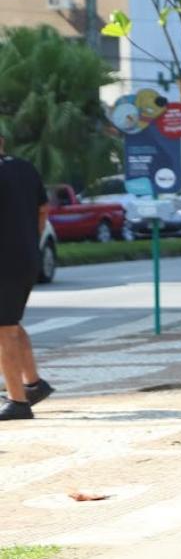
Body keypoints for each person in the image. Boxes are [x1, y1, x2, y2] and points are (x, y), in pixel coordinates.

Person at [0, 132, 54, 421]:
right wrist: (28, 239)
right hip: (26, 258)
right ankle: (33, 384)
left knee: (4, 330)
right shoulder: (24, 167)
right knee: (10, 323)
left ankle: (17, 402)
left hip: (3, 261)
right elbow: (43, 209)